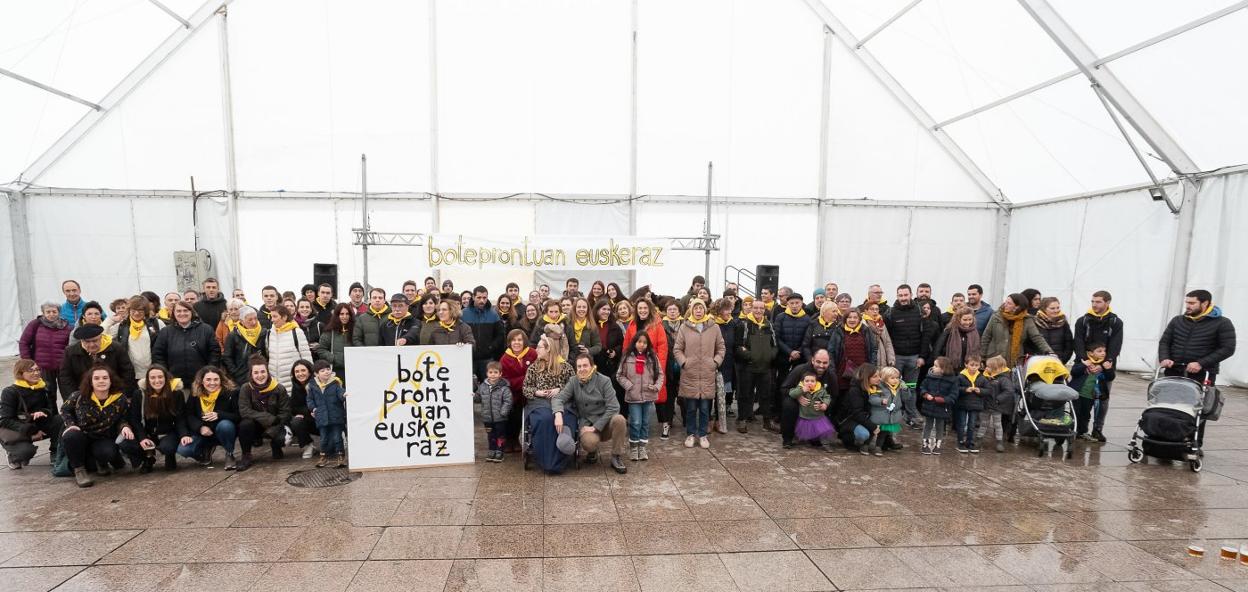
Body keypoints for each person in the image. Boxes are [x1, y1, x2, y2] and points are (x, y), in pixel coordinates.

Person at [60, 365, 143, 487]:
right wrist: (71, 424)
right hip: (82, 436)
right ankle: (79, 470)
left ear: (111, 381)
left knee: (107, 453)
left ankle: (100, 461)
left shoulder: (120, 399)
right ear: (91, 382)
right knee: (71, 435)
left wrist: (124, 426)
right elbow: (65, 410)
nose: (101, 381)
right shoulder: (78, 396)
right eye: (96, 378)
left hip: (103, 437)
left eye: (105, 378)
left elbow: (123, 418)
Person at [553, 353, 628, 474]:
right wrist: (558, 414)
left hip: (605, 421)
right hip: (587, 422)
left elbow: (614, 407)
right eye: (579, 366)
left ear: (592, 366)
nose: (582, 369)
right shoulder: (573, 381)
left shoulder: (604, 380)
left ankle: (616, 456)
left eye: (585, 365)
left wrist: (595, 427)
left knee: (620, 420)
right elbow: (558, 398)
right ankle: (592, 452)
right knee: (589, 443)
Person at [673, 298, 725, 449]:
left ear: (704, 310)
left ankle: (702, 435)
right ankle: (690, 434)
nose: (698, 311)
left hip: (707, 373)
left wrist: (715, 362)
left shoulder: (714, 327)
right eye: (695, 308)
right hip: (690, 373)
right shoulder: (685, 327)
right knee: (690, 408)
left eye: (700, 308)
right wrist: (684, 363)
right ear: (691, 310)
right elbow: (677, 349)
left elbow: (721, 348)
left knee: (704, 408)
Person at [522, 336, 576, 474]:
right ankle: (546, 461)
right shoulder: (534, 367)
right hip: (539, 402)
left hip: (563, 402)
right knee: (545, 419)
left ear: (548, 349)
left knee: (565, 419)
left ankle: (560, 459)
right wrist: (537, 392)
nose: (536, 350)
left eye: (539, 347)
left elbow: (574, 386)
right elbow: (526, 388)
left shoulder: (566, 367)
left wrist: (560, 389)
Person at [1159, 289, 1236, 385]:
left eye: (1192, 303)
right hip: (1173, 370)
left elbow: (1228, 349)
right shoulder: (1177, 320)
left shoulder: (1222, 323)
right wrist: (1165, 358)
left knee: (1199, 395)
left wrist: (1201, 363)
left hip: (1202, 373)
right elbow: (1165, 342)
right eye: (1187, 302)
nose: (1187, 306)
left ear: (1205, 303)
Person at [623, 298, 672, 439]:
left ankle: (665, 424)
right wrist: (626, 364)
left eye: (645, 308)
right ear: (636, 310)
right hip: (636, 366)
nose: (642, 310)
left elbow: (662, 347)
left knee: (658, 394)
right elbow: (627, 346)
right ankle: (639, 426)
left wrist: (659, 367)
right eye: (640, 308)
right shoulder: (632, 324)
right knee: (638, 395)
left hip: (652, 365)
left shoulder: (657, 324)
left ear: (649, 309)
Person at [1, 360, 63, 469]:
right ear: (20, 373)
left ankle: (55, 452)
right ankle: (13, 455)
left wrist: (44, 412)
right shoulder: (10, 392)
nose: (36, 373)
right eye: (31, 371)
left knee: (60, 419)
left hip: (40, 424)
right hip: (19, 428)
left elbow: (52, 411)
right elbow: (5, 420)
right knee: (25, 453)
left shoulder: (45, 387)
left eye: (37, 370)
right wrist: (30, 431)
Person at [236, 355, 292, 470]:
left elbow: (285, 412)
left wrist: (272, 428)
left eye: (263, 371)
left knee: (282, 438)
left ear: (267, 372)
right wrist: (268, 418)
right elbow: (244, 411)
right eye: (256, 372)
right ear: (251, 374)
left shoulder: (279, 388)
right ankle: (246, 455)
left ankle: (276, 445)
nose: (260, 375)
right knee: (245, 424)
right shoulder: (246, 388)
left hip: (275, 424)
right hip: (257, 425)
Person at [178, 366, 240, 469]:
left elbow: (238, 415)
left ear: (221, 380)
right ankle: (204, 452)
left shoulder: (231, 392)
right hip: (203, 432)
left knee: (225, 425)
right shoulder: (195, 393)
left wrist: (219, 415)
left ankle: (229, 454)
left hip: (221, 430)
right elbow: (189, 414)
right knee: (183, 450)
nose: (212, 383)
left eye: (216, 379)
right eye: (208, 379)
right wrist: (200, 427)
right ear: (202, 381)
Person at [617, 331, 663, 461]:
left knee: (645, 423)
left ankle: (642, 447)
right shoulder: (627, 357)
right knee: (636, 422)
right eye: (639, 342)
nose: (642, 345)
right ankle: (634, 447)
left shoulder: (652, 357)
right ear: (635, 342)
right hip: (634, 396)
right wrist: (629, 386)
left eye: (644, 342)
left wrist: (657, 386)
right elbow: (619, 375)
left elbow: (660, 374)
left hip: (649, 395)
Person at [152, 301, 221, 387]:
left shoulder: (206, 329)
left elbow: (214, 353)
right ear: (173, 313)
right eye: (179, 311)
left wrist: (208, 373)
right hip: (174, 381)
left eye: (185, 310)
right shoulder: (165, 332)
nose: (182, 313)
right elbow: (158, 355)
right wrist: (166, 374)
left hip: (201, 382)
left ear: (192, 312)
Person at [60, 324, 136, 400]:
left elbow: (127, 372)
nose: (92, 344)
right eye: (87, 342)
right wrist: (73, 398)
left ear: (101, 337)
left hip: (113, 395)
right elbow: (66, 377)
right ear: (81, 341)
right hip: (82, 396)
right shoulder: (71, 352)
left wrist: (123, 395)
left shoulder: (116, 348)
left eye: (95, 340)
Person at [734, 298, 777, 433]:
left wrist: (770, 356)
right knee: (744, 394)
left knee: (766, 395)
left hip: (765, 367)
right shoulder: (743, 325)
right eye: (756, 308)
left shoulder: (769, 326)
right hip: (748, 367)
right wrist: (751, 356)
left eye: (761, 308)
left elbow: (774, 346)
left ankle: (767, 421)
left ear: (765, 310)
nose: (758, 310)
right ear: (751, 309)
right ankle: (742, 419)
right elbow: (737, 346)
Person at [1073, 290, 1124, 399]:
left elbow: (1115, 346)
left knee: (1102, 400)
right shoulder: (1082, 321)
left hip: (1105, 367)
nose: (1094, 304)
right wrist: (1086, 361)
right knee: (1077, 397)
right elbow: (1078, 342)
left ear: (1108, 302)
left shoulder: (1116, 322)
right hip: (1084, 365)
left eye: (1098, 302)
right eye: (1092, 301)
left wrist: (1102, 365)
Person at [778, 350, 834, 449]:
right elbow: (784, 389)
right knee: (789, 404)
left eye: (825, 363)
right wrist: (798, 396)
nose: (821, 365)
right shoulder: (800, 369)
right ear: (812, 360)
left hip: (817, 408)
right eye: (818, 362)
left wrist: (825, 404)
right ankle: (788, 438)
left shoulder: (831, 375)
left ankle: (815, 435)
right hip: (797, 401)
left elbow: (834, 395)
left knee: (830, 408)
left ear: (829, 362)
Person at [20, 302, 72, 406]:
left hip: (63, 367)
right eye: (48, 312)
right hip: (43, 367)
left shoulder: (67, 326)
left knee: (68, 394)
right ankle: (51, 414)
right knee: (47, 395)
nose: (51, 314)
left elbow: (71, 346)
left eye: (54, 311)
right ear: (43, 313)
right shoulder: (35, 324)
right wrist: (28, 362)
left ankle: (69, 414)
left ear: (59, 312)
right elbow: (24, 342)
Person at [134, 365, 185, 471]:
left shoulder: (176, 393)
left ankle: (170, 455)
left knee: (167, 447)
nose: (157, 380)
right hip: (148, 432)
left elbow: (180, 418)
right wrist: (143, 437)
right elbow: (135, 419)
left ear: (166, 378)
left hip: (168, 432)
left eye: (160, 377)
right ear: (147, 380)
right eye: (152, 378)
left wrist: (184, 435)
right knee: (127, 444)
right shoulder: (139, 394)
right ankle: (148, 457)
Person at [981, 293, 1054, 367]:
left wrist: (1050, 352)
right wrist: (982, 357)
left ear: (1017, 307)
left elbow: (1037, 337)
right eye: (1006, 302)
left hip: (1015, 361)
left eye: (1009, 303)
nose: (1005, 304)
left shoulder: (1027, 320)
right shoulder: (996, 317)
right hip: (994, 360)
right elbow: (986, 337)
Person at [500, 329, 536, 452]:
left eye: (519, 340)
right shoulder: (504, 359)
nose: (517, 343)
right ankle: (510, 440)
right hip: (513, 394)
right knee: (512, 415)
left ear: (524, 341)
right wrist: (525, 379)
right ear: (509, 342)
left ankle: (521, 440)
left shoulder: (532, 353)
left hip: (531, 393)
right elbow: (505, 381)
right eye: (514, 340)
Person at [113, 295, 161, 387]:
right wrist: (111, 320)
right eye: (133, 310)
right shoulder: (122, 326)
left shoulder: (156, 323)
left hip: (153, 372)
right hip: (131, 374)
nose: (136, 313)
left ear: (145, 311)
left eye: (140, 310)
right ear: (129, 310)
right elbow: (101, 333)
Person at [307, 360, 347, 468]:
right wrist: (313, 408)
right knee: (323, 439)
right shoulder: (312, 386)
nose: (326, 372)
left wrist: (344, 395)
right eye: (322, 370)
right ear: (316, 374)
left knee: (337, 438)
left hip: (336, 416)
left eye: (328, 369)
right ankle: (323, 457)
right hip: (321, 416)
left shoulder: (335, 383)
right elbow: (310, 399)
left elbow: (340, 392)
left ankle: (341, 456)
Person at [1072, 342, 1115, 443]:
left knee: (1086, 415)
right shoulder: (1084, 361)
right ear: (1091, 353)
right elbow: (1073, 372)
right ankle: (1072, 430)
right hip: (1077, 393)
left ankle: (1082, 432)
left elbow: (1110, 377)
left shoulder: (1104, 364)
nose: (1103, 353)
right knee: (1075, 413)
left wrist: (1108, 369)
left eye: (1104, 351)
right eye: (1099, 351)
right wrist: (1084, 365)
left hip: (1090, 396)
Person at [834, 364, 879, 454]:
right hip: (849, 420)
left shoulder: (874, 388)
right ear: (866, 378)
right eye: (875, 376)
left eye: (879, 376)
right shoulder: (855, 391)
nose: (879, 378)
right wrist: (873, 427)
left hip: (863, 417)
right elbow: (857, 413)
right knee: (864, 434)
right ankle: (847, 439)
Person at [265, 305, 312, 391]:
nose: (272, 320)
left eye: (275, 316)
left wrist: (308, 383)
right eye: (271, 317)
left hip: (293, 384)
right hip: (274, 385)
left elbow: (307, 358)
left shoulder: (297, 332)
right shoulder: (269, 334)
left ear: (284, 317)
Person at [884, 285, 924, 385]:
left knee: (911, 387)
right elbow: (886, 337)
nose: (903, 298)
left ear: (911, 295)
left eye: (906, 295)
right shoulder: (890, 312)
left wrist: (922, 356)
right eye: (900, 295)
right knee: (893, 386)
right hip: (896, 357)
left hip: (914, 357)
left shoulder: (919, 311)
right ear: (897, 296)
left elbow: (925, 336)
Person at [463, 286, 505, 379]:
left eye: (484, 298)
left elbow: (500, 335)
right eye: (479, 297)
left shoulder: (493, 314)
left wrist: (491, 347)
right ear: (473, 297)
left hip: (487, 359)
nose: (482, 300)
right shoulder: (463, 314)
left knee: (488, 384)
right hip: (468, 358)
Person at [919, 357, 958, 455]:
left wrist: (944, 400)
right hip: (929, 405)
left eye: (936, 366)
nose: (933, 367)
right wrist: (925, 394)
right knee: (928, 425)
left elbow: (954, 395)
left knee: (940, 426)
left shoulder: (952, 380)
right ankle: (925, 444)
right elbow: (922, 387)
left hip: (942, 407)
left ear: (943, 369)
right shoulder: (929, 377)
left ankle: (938, 445)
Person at [475, 361, 512, 463]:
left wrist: (503, 412)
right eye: (490, 372)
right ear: (487, 373)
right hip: (487, 418)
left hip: (500, 418)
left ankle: (499, 451)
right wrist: (474, 395)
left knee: (500, 435)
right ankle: (492, 450)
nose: (493, 375)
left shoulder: (504, 388)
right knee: (490, 435)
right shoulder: (483, 386)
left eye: (496, 372)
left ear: (500, 374)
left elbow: (508, 401)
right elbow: (478, 398)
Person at [789, 371, 836, 451]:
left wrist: (825, 404)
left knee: (823, 431)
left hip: (818, 417)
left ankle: (826, 445)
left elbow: (827, 397)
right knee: (800, 430)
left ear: (816, 382)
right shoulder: (800, 388)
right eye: (807, 381)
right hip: (804, 416)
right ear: (802, 382)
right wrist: (802, 390)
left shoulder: (821, 390)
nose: (809, 383)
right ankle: (795, 440)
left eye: (812, 381)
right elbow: (792, 394)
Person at [834, 310, 877, 394]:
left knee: (862, 393)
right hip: (843, 371)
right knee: (844, 394)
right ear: (845, 319)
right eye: (849, 317)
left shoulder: (866, 330)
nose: (852, 320)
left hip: (863, 370)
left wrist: (872, 367)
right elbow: (832, 350)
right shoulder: (839, 331)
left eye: (855, 317)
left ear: (859, 319)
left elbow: (873, 349)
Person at [865, 366, 905, 456]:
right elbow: (872, 399)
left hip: (890, 415)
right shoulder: (878, 387)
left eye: (897, 378)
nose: (895, 380)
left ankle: (878, 447)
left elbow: (906, 398)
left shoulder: (899, 387)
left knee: (884, 432)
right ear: (885, 378)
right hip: (879, 414)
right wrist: (881, 401)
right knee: (873, 430)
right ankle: (865, 445)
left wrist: (906, 390)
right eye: (892, 378)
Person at [223, 306, 267, 386]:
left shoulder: (263, 333)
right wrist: (236, 373)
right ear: (241, 321)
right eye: (250, 320)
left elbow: (267, 354)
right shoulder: (234, 335)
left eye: (255, 318)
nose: (254, 322)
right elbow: (227, 357)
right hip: (242, 378)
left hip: (261, 375)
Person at [712, 297, 740, 424]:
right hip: (716, 361)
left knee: (726, 389)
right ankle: (713, 415)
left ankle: (723, 413)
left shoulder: (733, 324)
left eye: (730, 309)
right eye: (726, 309)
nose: (729, 312)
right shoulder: (713, 324)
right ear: (719, 310)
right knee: (714, 390)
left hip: (729, 361)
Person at [594, 299, 625, 408]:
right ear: (597, 310)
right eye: (604, 309)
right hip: (595, 364)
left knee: (611, 392)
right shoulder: (591, 325)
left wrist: (615, 351)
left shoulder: (615, 326)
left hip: (610, 365)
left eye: (608, 309)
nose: (606, 312)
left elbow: (621, 344)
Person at [954, 355, 988, 453]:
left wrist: (980, 390)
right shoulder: (960, 376)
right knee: (962, 424)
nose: (974, 367)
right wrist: (965, 389)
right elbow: (955, 388)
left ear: (980, 366)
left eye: (976, 365)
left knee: (972, 424)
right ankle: (960, 442)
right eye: (971, 365)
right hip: (962, 404)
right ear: (966, 365)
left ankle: (970, 443)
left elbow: (988, 390)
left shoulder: (982, 378)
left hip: (975, 405)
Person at [981, 355, 1016, 452]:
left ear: (995, 369)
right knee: (983, 423)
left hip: (997, 405)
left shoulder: (1003, 379)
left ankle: (999, 442)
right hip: (987, 404)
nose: (986, 368)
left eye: (988, 367)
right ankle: (979, 439)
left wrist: (998, 399)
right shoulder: (986, 377)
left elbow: (1009, 391)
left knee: (998, 424)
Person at [934, 306, 980, 372]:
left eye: (970, 319)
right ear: (958, 319)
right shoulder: (950, 330)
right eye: (965, 320)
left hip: (968, 369)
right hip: (950, 368)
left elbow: (977, 350)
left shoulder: (974, 332)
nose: (968, 322)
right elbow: (938, 347)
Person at [288, 360, 318, 459]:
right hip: (310, 419)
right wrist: (306, 412)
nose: (300, 374)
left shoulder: (318, 382)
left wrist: (306, 411)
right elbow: (294, 408)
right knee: (296, 421)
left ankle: (340, 436)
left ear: (309, 371)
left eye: (303, 370)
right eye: (297, 371)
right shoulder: (295, 386)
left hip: (323, 418)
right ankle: (308, 445)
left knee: (332, 450)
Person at [317, 303, 354, 382]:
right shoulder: (330, 331)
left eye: (347, 314)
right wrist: (333, 358)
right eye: (342, 314)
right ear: (337, 315)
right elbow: (321, 349)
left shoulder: (355, 330)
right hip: (336, 369)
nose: (345, 316)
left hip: (353, 368)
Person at [1034, 297, 1074, 364]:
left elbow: (1069, 344)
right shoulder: (1035, 322)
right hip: (1038, 363)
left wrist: (1063, 359)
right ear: (1044, 309)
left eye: (1058, 307)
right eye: (1052, 308)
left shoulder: (1063, 322)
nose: (1056, 310)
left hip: (1058, 362)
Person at [566, 297, 603, 367]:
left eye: (584, 307)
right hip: (569, 362)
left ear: (587, 309)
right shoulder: (568, 323)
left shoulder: (592, 325)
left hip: (586, 362)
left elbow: (598, 345)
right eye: (579, 307)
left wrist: (588, 350)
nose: (581, 309)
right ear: (574, 308)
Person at [861, 301, 895, 368]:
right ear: (866, 311)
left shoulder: (881, 323)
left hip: (882, 356)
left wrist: (891, 359)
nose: (875, 311)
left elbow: (887, 342)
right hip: (868, 358)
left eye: (877, 309)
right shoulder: (862, 323)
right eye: (872, 309)